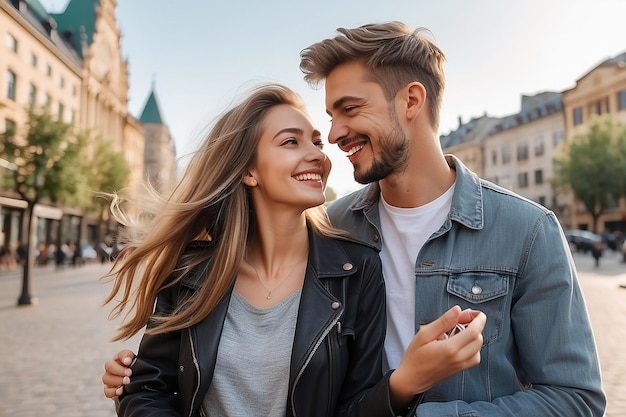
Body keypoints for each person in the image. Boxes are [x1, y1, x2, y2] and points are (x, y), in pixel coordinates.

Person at [101, 83, 486, 417]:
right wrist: (132, 385)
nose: (318, 154)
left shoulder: (359, 270)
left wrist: (405, 382)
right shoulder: (190, 272)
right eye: (291, 141)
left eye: (317, 141)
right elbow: (146, 390)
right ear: (248, 171)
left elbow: (355, 406)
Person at [297, 21, 605, 416]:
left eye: (350, 109)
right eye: (331, 115)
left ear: (411, 101)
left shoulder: (528, 231)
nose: (335, 132)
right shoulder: (329, 228)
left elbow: (575, 399)